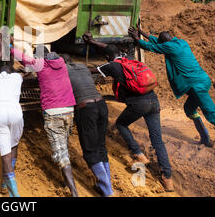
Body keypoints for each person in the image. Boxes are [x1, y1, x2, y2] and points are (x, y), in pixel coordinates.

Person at [83, 32, 174, 192]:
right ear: (121, 54)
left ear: (107, 57)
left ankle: (138, 153)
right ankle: (168, 179)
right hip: (153, 101)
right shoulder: (130, 61)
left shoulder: (112, 66)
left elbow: (92, 72)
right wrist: (93, 42)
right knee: (158, 140)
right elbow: (111, 49)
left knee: (121, 124)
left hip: (138, 104)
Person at [11, 37, 79, 197]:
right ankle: (66, 182)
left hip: (53, 112)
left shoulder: (39, 65)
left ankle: (74, 192)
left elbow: (20, 56)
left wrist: (10, 45)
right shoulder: (61, 63)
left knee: (61, 154)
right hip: (69, 110)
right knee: (64, 145)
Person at [129, 26, 215, 147]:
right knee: (189, 109)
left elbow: (150, 46)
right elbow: (158, 42)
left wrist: (137, 38)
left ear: (164, 42)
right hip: (203, 80)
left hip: (196, 85)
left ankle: (206, 138)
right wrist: (143, 33)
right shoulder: (181, 42)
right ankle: (206, 139)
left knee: (211, 113)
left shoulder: (168, 47)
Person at [61, 53, 114, 197]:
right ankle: (105, 185)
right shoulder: (82, 66)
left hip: (86, 109)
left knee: (89, 150)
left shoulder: (62, 70)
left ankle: (108, 192)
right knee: (101, 146)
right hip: (101, 105)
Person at [0, 63, 24, 197]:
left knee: (5, 155)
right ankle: (4, 184)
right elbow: (25, 71)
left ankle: (14, 194)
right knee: (13, 145)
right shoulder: (16, 78)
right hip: (15, 111)